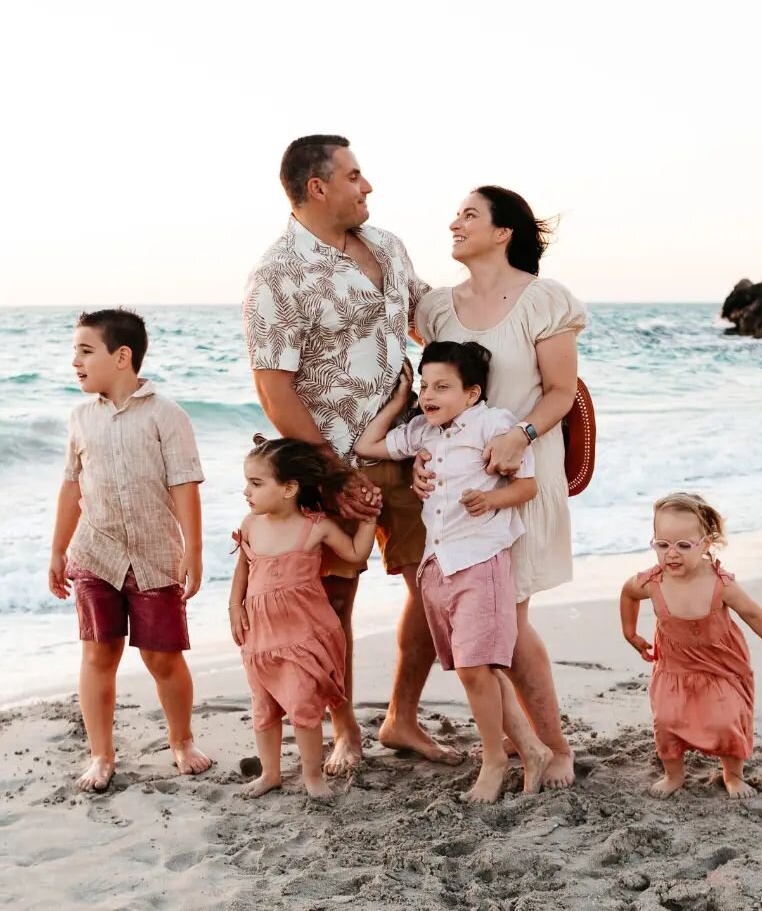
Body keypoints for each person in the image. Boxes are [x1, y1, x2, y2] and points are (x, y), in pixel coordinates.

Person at [242, 134, 458, 774]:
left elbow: (430, 318)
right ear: (318, 187)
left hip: (413, 445)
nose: (368, 187)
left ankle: (401, 717)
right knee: (332, 603)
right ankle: (343, 731)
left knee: (432, 582)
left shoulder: (388, 246)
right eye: (356, 175)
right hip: (331, 462)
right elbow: (273, 388)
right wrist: (333, 476)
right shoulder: (277, 277)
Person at [414, 186, 586, 788]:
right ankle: (526, 746)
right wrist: (423, 456)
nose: (454, 221)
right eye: (456, 211)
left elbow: (562, 391)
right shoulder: (437, 307)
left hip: (522, 479)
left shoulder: (544, 301)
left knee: (507, 624)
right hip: (457, 501)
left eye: (469, 214)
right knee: (494, 628)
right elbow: (440, 394)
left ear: (503, 231)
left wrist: (519, 434)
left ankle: (550, 747)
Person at [356, 342, 554, 802]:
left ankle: (494, 760)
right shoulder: (423, 431)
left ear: (472, 393)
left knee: (473, 668)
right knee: (476, 668)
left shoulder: (494, 425)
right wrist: (399, 400)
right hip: (438, 562)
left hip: (480, 560)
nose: (430, 394)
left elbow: (526, 485)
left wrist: (490, 500)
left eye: (442, 386)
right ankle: (531, 749)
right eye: (425, 385)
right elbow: (368, 446)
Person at [48, 308, 211, 792]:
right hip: (94, 553)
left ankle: (181, 741)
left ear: (122, 357)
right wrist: (58, 551)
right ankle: (101, 754)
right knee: (99, 655)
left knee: (163, 658)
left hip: (154, 555)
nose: (74, 361)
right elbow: (71, 489)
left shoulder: (166, 415)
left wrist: (193, 550)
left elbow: (185, 486)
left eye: (85, 350)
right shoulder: (80, 418)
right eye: (73, 351)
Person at [619, 493, 762, 799]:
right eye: (662, 545)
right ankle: (673, 775)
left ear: (705, 544)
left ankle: (732, 775)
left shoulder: (720, 584)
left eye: (683, 546)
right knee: (667, 720)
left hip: (721, 665)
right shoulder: (652, 581)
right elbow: (628, 594)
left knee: (726, 720)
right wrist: (631, 634)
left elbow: (753, 613)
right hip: (675, 666)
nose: (671, 554)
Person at [229, 436, 377, 799]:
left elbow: (356, 555)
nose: (246, 490)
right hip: (260, 636)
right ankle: (270, 774)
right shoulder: (251, 523)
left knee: (304, 708)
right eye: (247, 482)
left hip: (303, 633)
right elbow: (243, 568)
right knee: (263, 709)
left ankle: (313, 777)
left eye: (256, 483)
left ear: (289, 488)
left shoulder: (316, 526)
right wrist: (234, 606)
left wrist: (370, 519)